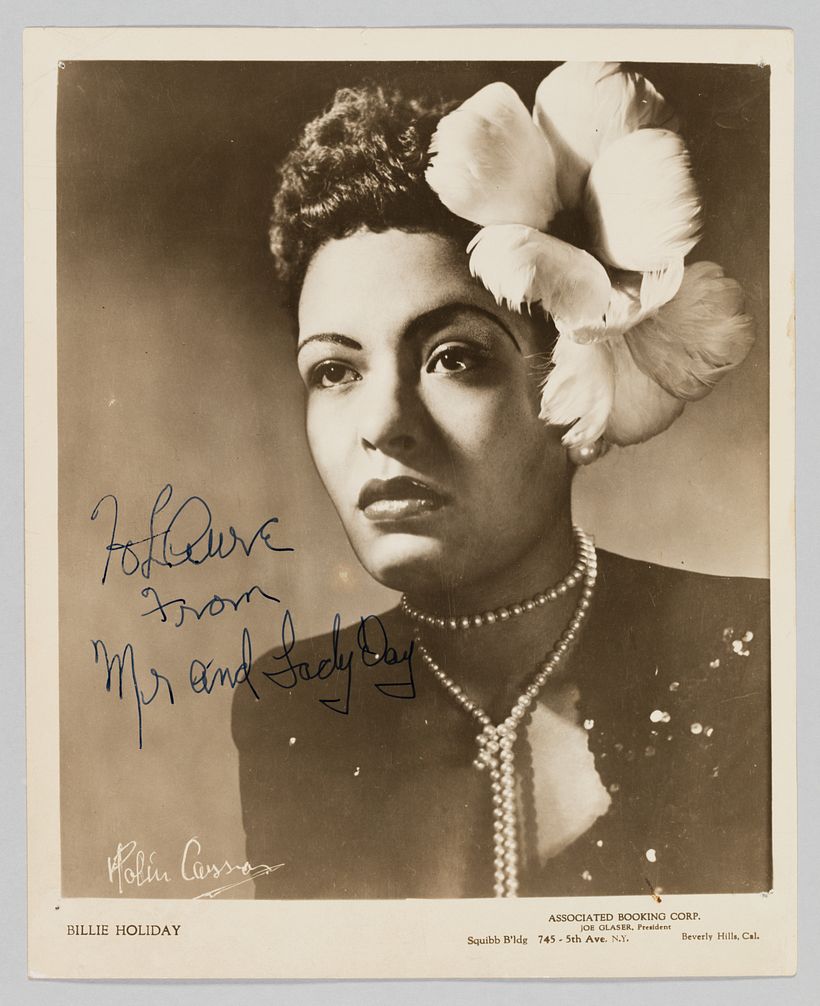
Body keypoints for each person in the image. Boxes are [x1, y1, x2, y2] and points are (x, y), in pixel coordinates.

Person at [232, 63, 770, 900]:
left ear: (578, 364)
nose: (382, 422)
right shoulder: (294, 712)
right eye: (335, 370)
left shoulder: (759, 655)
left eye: (454, 358)